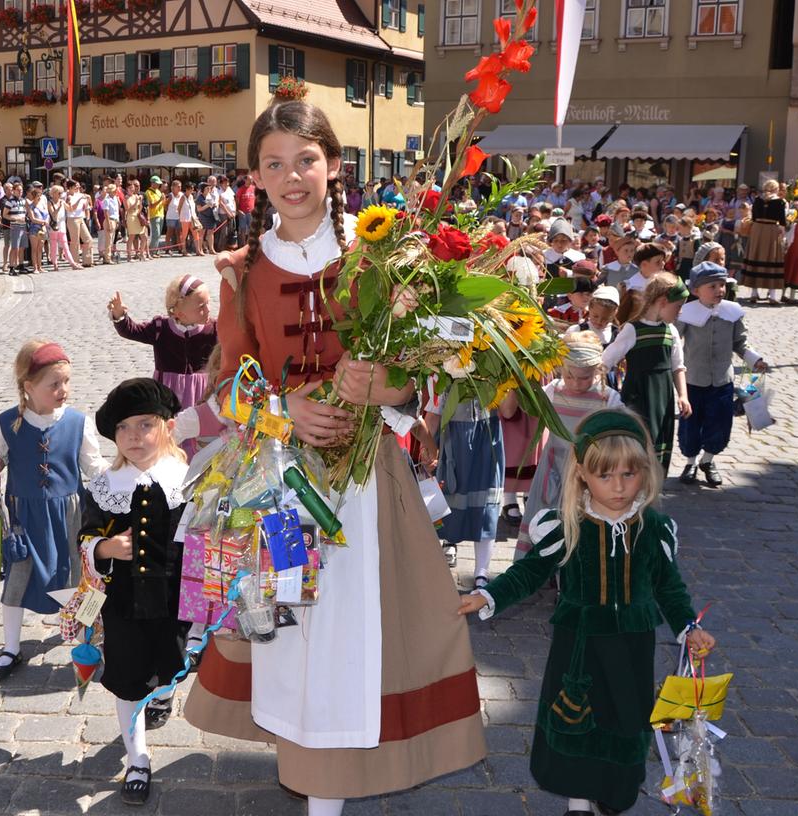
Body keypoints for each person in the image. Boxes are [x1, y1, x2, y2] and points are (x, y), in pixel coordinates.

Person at [183, 101, 485, 816]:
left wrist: (388, 384)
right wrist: (282, 411)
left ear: (335, 166)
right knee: (293, 626)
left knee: (356, 627)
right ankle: (313, 776)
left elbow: (419, 371)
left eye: (306, 159)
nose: (292, 176)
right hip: (280, 479)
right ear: (254, 176)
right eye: (275, 163)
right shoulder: (241, 272)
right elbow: (225, 385)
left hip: (368, 477)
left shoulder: (379, 258)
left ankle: (332, 791)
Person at [459, 408, 717, 816]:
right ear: (582, 474)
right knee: (576, 721)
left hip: (633, 649)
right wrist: (490, 596)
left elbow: (669, 587)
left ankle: (613, 794)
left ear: (645, 472)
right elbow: (529, 572)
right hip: (578, 649)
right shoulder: (565, 527)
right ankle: (578, 805)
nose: (618, 487)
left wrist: (689, 627)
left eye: (628, 475)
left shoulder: (653, 529)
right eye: (605, 476)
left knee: (626, 724)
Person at [77, 377, 190, 806]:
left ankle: (161, 693)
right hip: (121, 603)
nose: (134, 436)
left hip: (173, 601)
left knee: (169, 666)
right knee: (128, 682)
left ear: (166, 426)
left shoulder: (186, 478)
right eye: (123, 428)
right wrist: (105, 547)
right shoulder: (107, 486)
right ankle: (136, 757)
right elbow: (85, 538)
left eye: (145, 424)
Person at [0, 341, 106, 680]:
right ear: (29, 387)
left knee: (81, 580)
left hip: (70, 516)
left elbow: (93, 467)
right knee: (17, 580)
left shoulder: (79, 423)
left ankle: (88, 639)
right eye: (54, 384)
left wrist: (122, 481)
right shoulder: (6, 424)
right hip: (24, 519)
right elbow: (0, 460)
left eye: (66, 381)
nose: (63, 390)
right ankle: (11, 648)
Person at [514, 331, 622, 556]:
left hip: (588, 479)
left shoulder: (608, 399)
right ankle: (541, 583)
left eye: (584, 377)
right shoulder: (553, 391)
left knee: (580, 536)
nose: (575, 382)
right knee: (545, 530)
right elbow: (523, 407)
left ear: (597, 369)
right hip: (552, 473)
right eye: (569, 375)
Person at [676, 261, 767, 486]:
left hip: (722, 381)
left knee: (719, 424)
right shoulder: (686, 313)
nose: (719, 290)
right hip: (693, 380)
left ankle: (708, 460)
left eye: (722, 285)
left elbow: (740, 343)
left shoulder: (732, 312)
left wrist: (755, 360)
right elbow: (675, 342)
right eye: (712, 286)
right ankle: (690, 462)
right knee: (690, 426)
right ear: (696, 290)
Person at [602, 273, 692, 475]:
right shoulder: (633, 330)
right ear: (662, 302)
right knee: (639, 444)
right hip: (639, 397)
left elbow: (678, 366)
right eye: (677, 307)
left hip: (663, 398)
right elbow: (606, 360)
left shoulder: (671, 331)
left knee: (659, 443)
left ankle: (654, 490)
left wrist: (683, 396)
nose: (679, 313)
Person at [425, 383, 504, 588]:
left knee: (486, 502)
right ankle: (437, 557)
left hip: (485, 441)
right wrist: (425, 447)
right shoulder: (442, 375)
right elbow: (433, 414)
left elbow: (508, 409)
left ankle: (482, 571)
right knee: (444, 504)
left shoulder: (495, 369)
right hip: (453, 444)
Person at [105, 275, 218, 409]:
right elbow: (132, 331)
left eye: (208, 303)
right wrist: (120, 316)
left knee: (199, 425)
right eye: (201, 306)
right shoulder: (160, 328)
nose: (208, 310)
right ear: (179, 313)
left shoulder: (214, 329)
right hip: (168, 390)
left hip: (202, 391)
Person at [742, 179, 787, 304]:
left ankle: (753, 293)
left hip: (757, 229)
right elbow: (782, 221)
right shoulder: (779, 202)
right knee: (771, 259)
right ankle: (772, 296)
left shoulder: (757, 200)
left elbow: (754, 217)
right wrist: (782, 235)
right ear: (776, 189)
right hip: (771, 230)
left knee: (756, 257)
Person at [45, 185, 82, 271]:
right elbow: (53, 214)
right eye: (59, 193)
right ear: (53, 193)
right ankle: (55, 264)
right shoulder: (49, 203)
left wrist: (78, 201)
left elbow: (70, 209)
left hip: (62, 227)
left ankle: (72, 263)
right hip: (53, 227)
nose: (61, 194)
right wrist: (59, 206)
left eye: (61, 193)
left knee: (65, 246)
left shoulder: (62, 201)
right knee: (54, 246)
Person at [0, 180, 29, 273]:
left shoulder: (23, 201)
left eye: (21, 190)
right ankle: (12, 267)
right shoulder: (10, 201)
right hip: (15, 226)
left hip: (23, 226)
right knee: (14, 247)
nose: (20, 192)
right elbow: (4, 215)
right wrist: (15, 218)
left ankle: (21, 265)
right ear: (14, 191)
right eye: (18, 190)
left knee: (22, 247)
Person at [65, 180, 95, 267]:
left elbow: (85, 208)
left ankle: (87, 261)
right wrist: (79, 200)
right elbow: (71, 209)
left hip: (81, 218)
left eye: (78, 186)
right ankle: (75, 262)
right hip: (72, 219)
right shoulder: (68, 196)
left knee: (88, 239)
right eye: (75, 186)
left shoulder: (81, 195)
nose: (78, 187)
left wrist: (87, 202)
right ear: (70, 187)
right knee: (75, 241)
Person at [26, 183, 49, 275]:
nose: (39, 198)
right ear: (34, 196)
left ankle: (40, 267)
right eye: (37, 196)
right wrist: (43, 222)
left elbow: (46, 214)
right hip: (34, 229)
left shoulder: (42, 205)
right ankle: (35, 267)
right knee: (34, 249)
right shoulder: (30, 206)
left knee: (40, 248)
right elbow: (32, 219)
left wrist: (46, 222)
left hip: (42, 228)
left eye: (40, 196)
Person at [145, 176, 166, 255]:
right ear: (152, 183)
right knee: (155, 234)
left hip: (161, 214)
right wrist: (160, 199)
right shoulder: (148, 192)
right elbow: (151, 205)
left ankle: (156, 250)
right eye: (157, 184)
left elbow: (162, 204)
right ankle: (152, 251)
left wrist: (164, 200)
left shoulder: (158, 191)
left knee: (159, 234)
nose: (158, 185)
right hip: (154, 215)